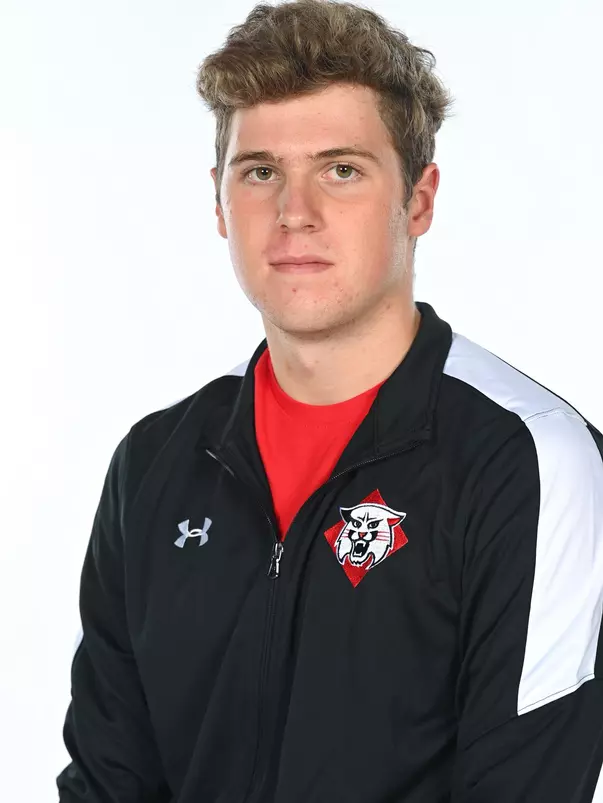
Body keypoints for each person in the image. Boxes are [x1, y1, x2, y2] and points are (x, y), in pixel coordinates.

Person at [56, 0, 603, 800]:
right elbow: (108, 779)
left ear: (417, 200)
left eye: (340, 169)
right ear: (219, 201)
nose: (294, 213)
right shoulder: (155, 463)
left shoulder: (530, 460)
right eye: (260, 171)